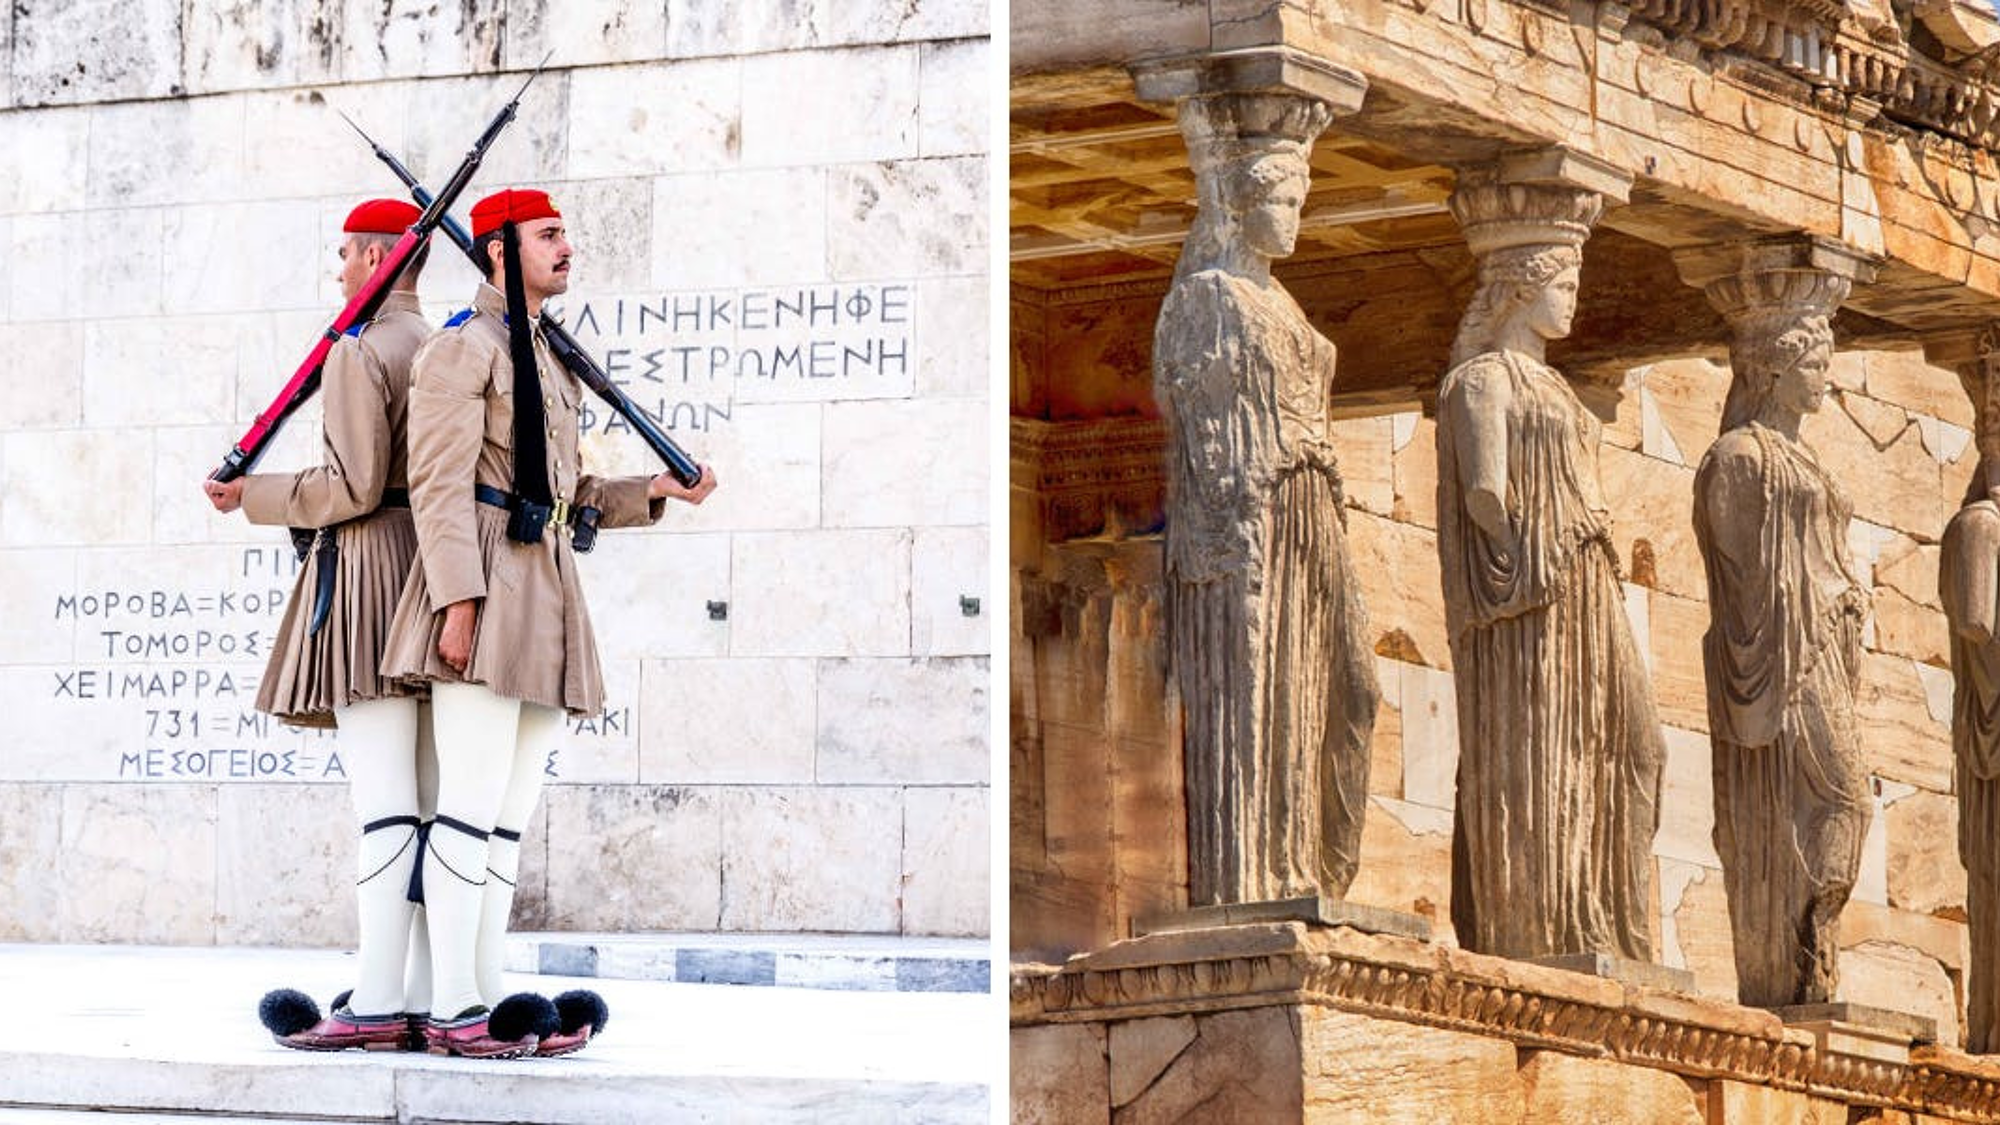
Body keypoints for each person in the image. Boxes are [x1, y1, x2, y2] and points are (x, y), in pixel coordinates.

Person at [378, 187, 716, 1058]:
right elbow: (441, 488)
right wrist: (457, 603)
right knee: (466, 806)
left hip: (545, 585)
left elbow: (560, 490)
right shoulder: (463, 348)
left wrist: (650, 492)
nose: (568, 247)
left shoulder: (548, 356)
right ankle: (447, 1004)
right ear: (498, 250)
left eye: (566, 233)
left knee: (505, 816)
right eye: (548, 235)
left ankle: (487, 991)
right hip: (485, 585)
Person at [206, 198, 439, 1050]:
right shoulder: (440, 341)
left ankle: (373, 1000)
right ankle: (421, 992)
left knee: (385, 806)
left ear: (379, 256)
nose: (338, 270)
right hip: (433, 574)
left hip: (371, 576)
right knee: (431, 808)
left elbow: (352, 486)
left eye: (347, 255)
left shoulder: (359, 350)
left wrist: (252, 497)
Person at [1153, 93, 1378, 908]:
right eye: (1280, 201)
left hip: (1313, 513)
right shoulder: (1208, 297)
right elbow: (1196, 425)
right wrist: (1237, 520)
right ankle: (1254, 878)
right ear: (1242, 204)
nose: (1292, 219)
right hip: (1254, 520)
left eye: (1297, 202)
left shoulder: (1282, 302)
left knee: (1353, 686)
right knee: (1255, 693)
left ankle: (1312, 867)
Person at [1436, 181, 1665, 962]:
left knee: (1636, 745)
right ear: (1520, 288)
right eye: (1562, 284)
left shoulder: (1559, 387)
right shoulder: (1482, 380)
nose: (1572, 301)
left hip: (1589, 579)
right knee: (1551, 746)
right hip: (1536, 590)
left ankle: (1609, 916)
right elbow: (1485, 490)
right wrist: (1525, 563)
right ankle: (1548, 923)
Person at [1693, 313, 1869, 1007]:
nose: (1826, 377)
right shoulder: (1739, 456)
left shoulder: (1808, 460)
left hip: (1827, 643)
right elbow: (1739, 580)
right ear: (1773, 369)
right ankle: (1794, 951)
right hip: (1784, 657)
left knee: (1846, 798)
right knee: (1844, 794)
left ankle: (1810, 950)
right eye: (1814, 365)